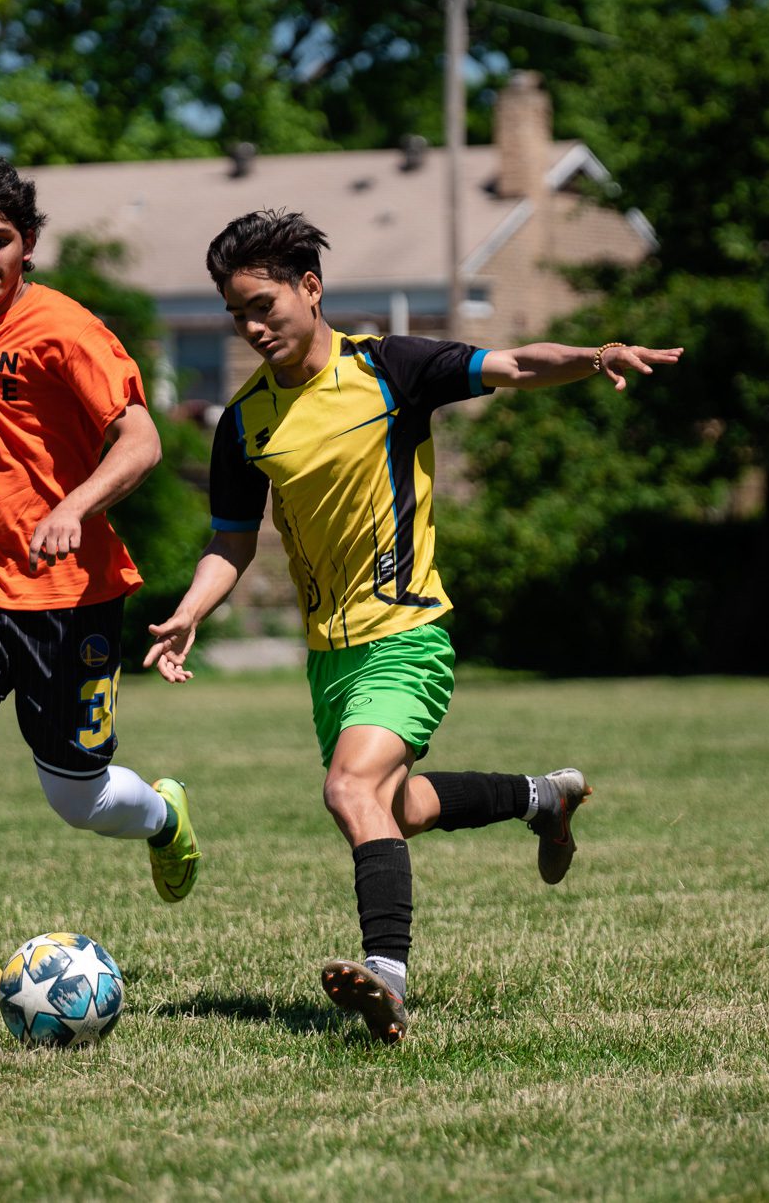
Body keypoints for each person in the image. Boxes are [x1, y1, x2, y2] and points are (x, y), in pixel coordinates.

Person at [142, 209, 681, 1044]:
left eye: (263, 306)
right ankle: (545, 797)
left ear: (310, 289)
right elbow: (232, 539)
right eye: (236, 314)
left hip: (408, 635)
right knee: (403, 807)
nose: (251, 327)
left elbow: (512, 365)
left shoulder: (389, 366)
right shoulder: (243, 421)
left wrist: (594, 355)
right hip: (330, 658)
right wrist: (187, 613)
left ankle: (387, 976)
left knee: (350, 791)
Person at [0, 155, 201, 1007]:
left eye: (1, 240)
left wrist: (75, 507)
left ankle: (163, 816)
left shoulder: (67, 329)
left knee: (78, 800)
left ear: (29, 246)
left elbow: (141, 441)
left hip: (73, 594)